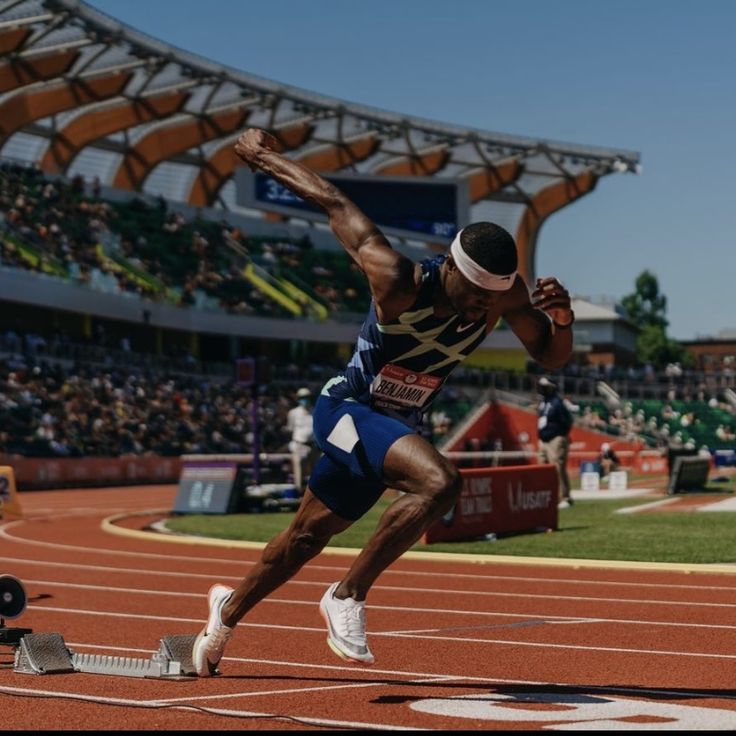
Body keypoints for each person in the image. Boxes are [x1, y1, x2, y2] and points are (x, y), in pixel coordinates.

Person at [192, 127, 575, 676]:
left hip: (390, 427)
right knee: (440, 482)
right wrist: (261, 157)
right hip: (346, 409)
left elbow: (551, 356)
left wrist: (562, 320)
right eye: (472, 299)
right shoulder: (396, 280)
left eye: (490, 303)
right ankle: (347, 594)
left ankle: (223, 616)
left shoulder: (503, 296)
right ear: (450, 270)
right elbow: (334, 202)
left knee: (304, 538)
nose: (478, 312)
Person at [536, 376, 574, 508]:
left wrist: (560, 435)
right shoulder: (543, 403)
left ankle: (565, 497)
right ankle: (548, 496)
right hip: (543, 439)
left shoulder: (557, 403)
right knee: (542, 468)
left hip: (555, 438)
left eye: (545, 386)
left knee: (558, 467)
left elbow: (567, 421)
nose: (542, 388)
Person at [286, 387, 317, 493]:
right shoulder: (293, 413)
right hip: (299, 444)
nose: (305, 400)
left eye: (307, 397)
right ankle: (298, 490)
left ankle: (314, 492)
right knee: (298, 463)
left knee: (315, 469)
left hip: (313, 445)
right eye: (302, 397)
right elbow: (290, 428)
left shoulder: (315, 411)